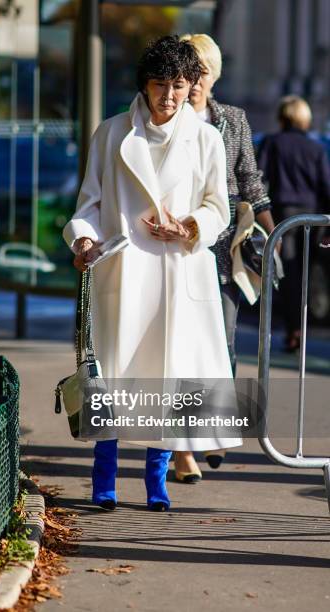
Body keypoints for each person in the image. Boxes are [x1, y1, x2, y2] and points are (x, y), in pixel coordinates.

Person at [63, 35, 240, 512]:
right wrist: (82, 238)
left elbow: (218, 209)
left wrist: (188, 226)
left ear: (192, 86)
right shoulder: (112, 132)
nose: (169, 95)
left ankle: (157, 479)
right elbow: (89, 204)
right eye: (160, 83)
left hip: (178, 271)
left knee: (169, 376)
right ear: (144, 85)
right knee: (115, 376)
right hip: (123, 270)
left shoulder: (206, 138)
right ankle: (104, 476)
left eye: (179, 85)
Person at [173, 33, 276, 482]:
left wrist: (275, 237)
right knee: (179, 350)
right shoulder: (168, 118)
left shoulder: (232, 120)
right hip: (177, 242)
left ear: (214, 76)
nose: (195, 83)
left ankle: (212, 428)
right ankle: (181, 451)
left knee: (224, 343)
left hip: (224, 247)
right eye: (188, 73)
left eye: (203, 74)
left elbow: (250, 180)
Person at [258, 95, 330, 352]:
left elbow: (258, 181)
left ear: (282, 116)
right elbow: (326, 188)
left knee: (287, 274)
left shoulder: (272, 143)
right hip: (310, 220)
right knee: (306, 273)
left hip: (280, 218)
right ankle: (300, 327)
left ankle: (293, 329)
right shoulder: (316, 149)